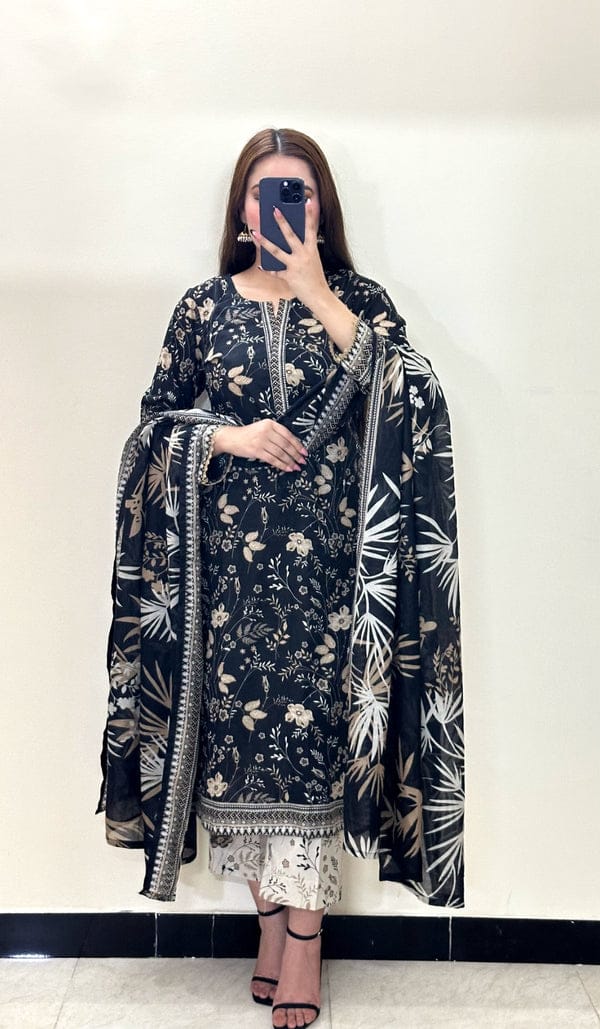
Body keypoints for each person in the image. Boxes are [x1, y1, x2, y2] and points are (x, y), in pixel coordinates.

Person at [98, 128, 464, 1029]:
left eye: (298, 192)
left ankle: (305, 944)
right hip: (225, 581)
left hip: (333, 578)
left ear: (321, 209)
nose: (281, 208)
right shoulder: (202, 307)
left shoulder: (359, 303)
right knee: (240, 758)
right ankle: (270, 928)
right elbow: (150, 432)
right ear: (242, 212)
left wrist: (319, 295)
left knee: (310, 755)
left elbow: (414, 397)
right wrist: (229, 435)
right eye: (265, 193)